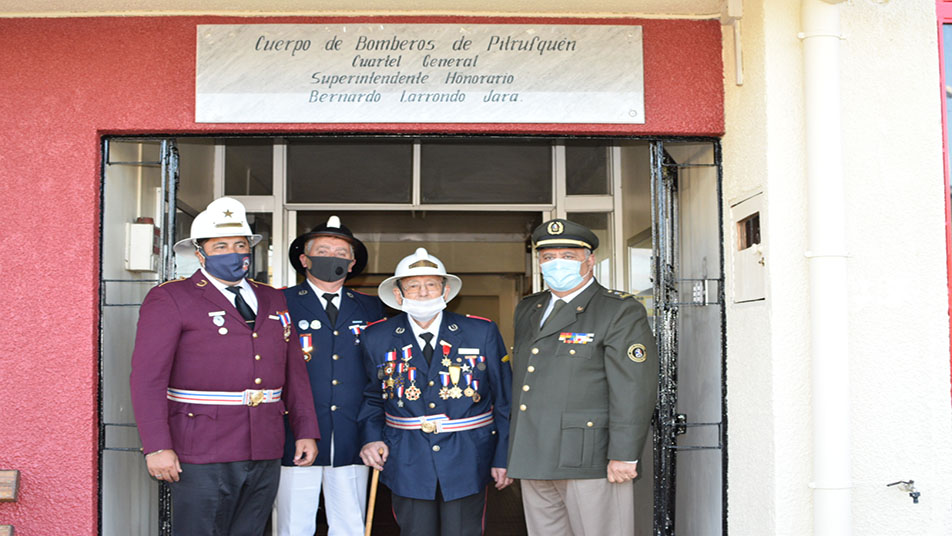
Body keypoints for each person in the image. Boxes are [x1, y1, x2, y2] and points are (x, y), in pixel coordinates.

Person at [129, 196, 319, 535]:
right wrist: (157, 445)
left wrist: (305, 430)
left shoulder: (273, 298)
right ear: (199, 253)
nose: (234, 253)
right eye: (221, 246)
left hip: (264, 442)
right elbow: (148, 379)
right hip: (201, 445)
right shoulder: (172, 298)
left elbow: (294, 371)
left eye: (240, 245)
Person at [506, 218, 659, 536]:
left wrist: (624, 453)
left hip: (590, 456)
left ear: (590, 260)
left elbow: (633, 387)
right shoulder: (529, 309)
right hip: (534, 452)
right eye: (548, 257)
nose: (556, 264)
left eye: (568, 256)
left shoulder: (617, 310)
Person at [358, 247, 513, 536]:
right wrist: (370, 440)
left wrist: (503, 457)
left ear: (445, 290)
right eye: (413, 286)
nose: (423, 292)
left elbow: (504, 400)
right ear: (398, 294)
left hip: (468, 456)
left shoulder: (482, 331)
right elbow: (371, 397)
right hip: (407, 457)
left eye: (431, 284)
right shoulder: (376, 336)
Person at [274, 216, 385, 536]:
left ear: (351, 264)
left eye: (341, 253)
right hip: (294, 435)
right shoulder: (280, 302)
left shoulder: (372, 308)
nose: (332, 258)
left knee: (351, 524)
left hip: (351, 436)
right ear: (304, 259)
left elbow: (376, 375)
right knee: (294, 525)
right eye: (323, 250)